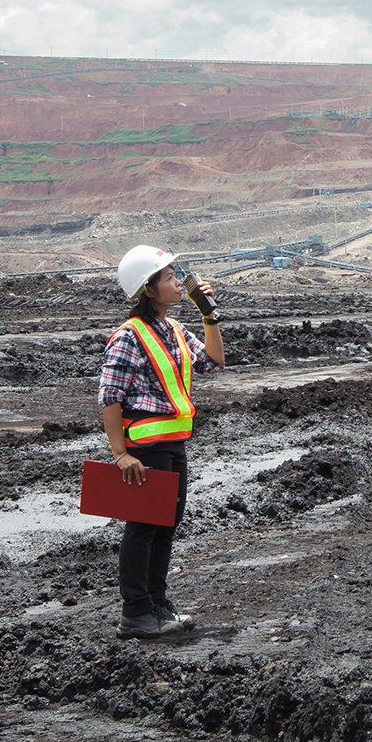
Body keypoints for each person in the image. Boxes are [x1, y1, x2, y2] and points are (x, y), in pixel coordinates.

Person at [97, 245, 225, 639]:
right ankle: (135, 612)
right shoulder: (128, 337)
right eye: (169, 277)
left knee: (166, 525)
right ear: (148, 289)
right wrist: (120, 455)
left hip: (173, 445)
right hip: (145, 449)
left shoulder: (173, 330)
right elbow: (109, 398)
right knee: (144, 528)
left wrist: (209, 314)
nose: (177, 282)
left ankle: (156, 602)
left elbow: (214, 361)